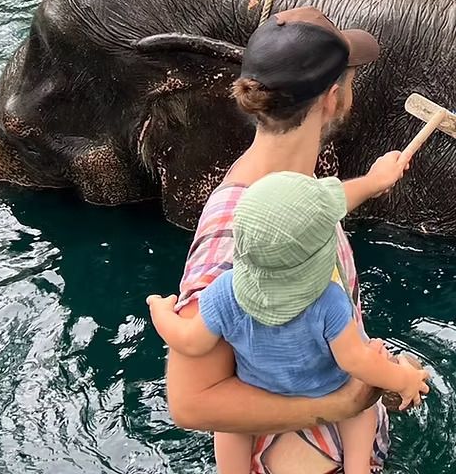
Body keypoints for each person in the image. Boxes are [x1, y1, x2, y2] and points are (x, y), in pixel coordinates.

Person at [159, 7, 416, 474]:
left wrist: (374, 182)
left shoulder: (291, 196)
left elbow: (322, 203)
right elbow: (189, 402)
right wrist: (340, 405)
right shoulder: (232, 231)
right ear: (333, 98)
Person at [147, 170, 429, 474]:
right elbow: (356, 362)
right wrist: (403, 380)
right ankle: (357, 468)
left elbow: (187, 339)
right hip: (326, 390)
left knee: (229, 427)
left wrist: (160, 312)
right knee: (361, 412)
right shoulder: (330, 302)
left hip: (260, 393)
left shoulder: (224, 292)